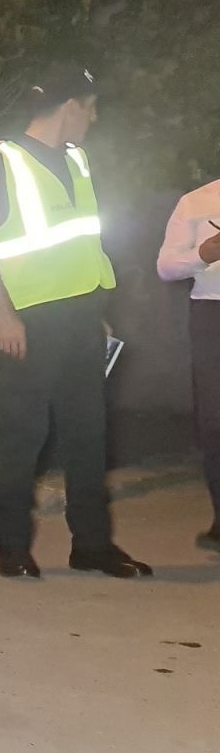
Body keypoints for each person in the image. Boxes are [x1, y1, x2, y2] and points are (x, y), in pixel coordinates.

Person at [0, 64, 152, 579]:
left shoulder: (78, 160)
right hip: (29, 321)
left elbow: (83, 243)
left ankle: (91, 546)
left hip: (82, 318)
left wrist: (99, 315)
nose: (94, 119)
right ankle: (12, 547)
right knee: (21, 436)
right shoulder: (1, 161)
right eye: (91, 109)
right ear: (70, 107)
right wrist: (4, 315)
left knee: (88, 436)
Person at [155, 178, 220, 552]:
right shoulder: (196, 202)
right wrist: (204, 254)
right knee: (215, 421)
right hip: (212, 313)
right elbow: (166, 266)